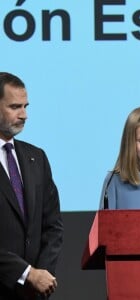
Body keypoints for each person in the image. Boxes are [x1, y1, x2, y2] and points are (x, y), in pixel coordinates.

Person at [0, 72, 63, 300]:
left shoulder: (37, 157)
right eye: (15, 107)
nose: (24, 115)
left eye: (26, 106)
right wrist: (26, 274)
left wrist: (39, 276)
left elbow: (53, 225)